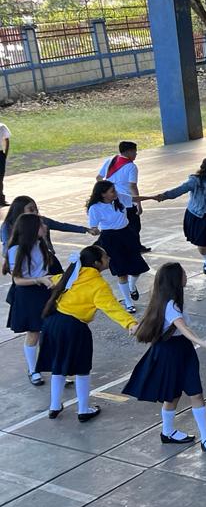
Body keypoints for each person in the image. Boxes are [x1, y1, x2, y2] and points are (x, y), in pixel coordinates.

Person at [124, 263, 206, 454]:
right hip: (173, 352)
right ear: (175, 279)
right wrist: (203, 343)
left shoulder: (164, 300)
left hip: (177, 350)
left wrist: (136, 327)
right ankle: (170, 433)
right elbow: (183, 328)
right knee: (176, 395)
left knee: (192, 393)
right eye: (183, 273)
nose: (186, 275)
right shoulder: (171, 305)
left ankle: (204, 438)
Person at [37, 244, 138, 422]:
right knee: (82, 369)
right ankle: (83, 409)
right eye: (105, 257)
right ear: (97, 263)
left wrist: (43, 279)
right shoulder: (97, 284)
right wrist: (130, 322)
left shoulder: (72, 274)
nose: (109, 258)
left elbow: (53, 280)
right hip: (74, 327)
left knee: (58, 365)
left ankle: (54, 406)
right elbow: (112, 307)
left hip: (53, 323)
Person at [5, 212, 58, 385]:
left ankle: (56, 369)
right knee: (33, 332)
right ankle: (33, 369)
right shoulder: (16, 250)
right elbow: (18, 280)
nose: (45, 227)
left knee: (50, 331)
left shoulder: (41, 244)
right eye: (41, 225)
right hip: (28, 294)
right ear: (32, 228)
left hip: (45, 290)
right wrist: (39, 280)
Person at [86, 180, 149, 312]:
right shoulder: (95, 208)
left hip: (127, 234)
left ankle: (132, 286)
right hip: (110, 239)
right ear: (103, 194)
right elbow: (93, 226)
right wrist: (94, 230)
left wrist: (153, 197)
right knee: (122, 272)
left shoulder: (119, 198)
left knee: (137, 268)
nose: (115, 192)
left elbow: (134, 198)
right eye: (112, 191)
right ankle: (128, 301)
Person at [97, 140, 145, 250]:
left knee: (117, 225)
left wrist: (106, 191)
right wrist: (139, 204)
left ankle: (130, 246)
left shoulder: (110, 161)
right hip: (127, 201)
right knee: (134, 225)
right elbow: (132, 186)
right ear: (129, 152)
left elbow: (99, 178)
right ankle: (135, 247)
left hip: (112, 199)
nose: (136, 154)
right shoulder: (131, 167)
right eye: (135, 152)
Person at [0, 117, 9, 207]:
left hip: (0, 154)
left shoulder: (2, 126)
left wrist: (5, 154)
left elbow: (7, 140)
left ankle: (1, 199)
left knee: (0, 178)